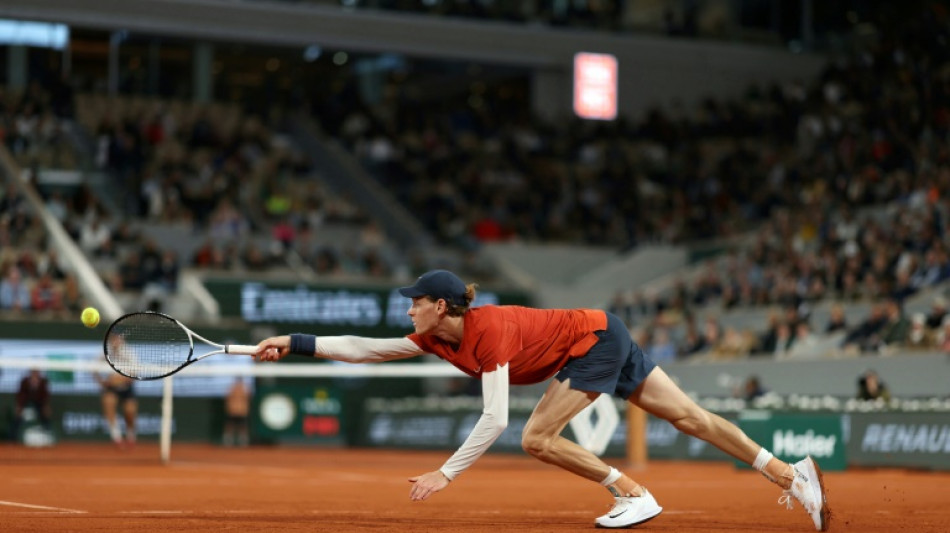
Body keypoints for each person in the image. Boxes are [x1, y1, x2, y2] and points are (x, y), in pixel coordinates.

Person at [252, 270, 830, 531]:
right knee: (690, 418)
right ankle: (792, 475)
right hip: (604, 330)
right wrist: (293, 342)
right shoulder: (435, 336)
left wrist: (446, 473)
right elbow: (364, 349)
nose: (409, 309)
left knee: (535, 438)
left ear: (443, 307)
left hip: (595, 342)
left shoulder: (489, 332)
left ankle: (632, 493)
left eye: (416, 302)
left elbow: (495, 417)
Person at [94, 370, 138, 448]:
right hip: (110, 389)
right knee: (108, 402)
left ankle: (131, 435)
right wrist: (103, 381)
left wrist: (120, 380)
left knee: (130, 411)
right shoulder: (103, 362)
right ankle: (116, 437)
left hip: (126, 389)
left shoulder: (130, 361)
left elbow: (133, 375)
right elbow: (95, 371)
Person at [13, 369, 52, 439]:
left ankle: (48, 434)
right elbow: (21, 395)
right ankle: (13, 437)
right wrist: (19, 406)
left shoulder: (43, 382)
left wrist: (45, 406)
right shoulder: (25, 381)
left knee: (45, 415)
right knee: (18, 417)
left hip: (39, 404)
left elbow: (45, 395)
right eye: (33, 372)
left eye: (36, 372)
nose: (35, 373)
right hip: (26, 403)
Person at [223, 377, 250, 447]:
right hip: (235, 410)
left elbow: (247, 398)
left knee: (241, 426)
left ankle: (241, 441)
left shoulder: (243, 388)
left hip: (239, 410)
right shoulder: (235, 388)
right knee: (231, 426)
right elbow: (228, 398)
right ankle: (229, 440)